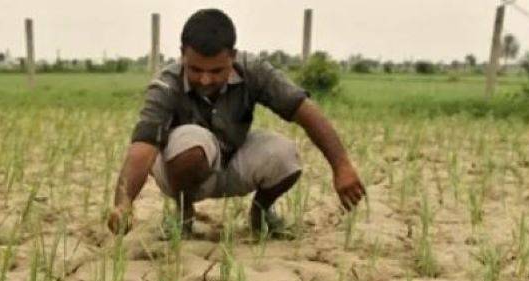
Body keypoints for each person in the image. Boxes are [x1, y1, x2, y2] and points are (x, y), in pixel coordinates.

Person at [106, 8, 365, 238]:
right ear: (183, 54)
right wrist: (123, 203)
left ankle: (260, 214)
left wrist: (341, 166)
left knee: (286, 155)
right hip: (181, 167)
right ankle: (184, 214)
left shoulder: (253, 70)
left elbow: (305, 112)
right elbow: (143, 147)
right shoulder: (166, 83)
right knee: (193, 141)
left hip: (232, 160)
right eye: (196, 70)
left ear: (233, 56)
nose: (205, 80)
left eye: (216, 71)